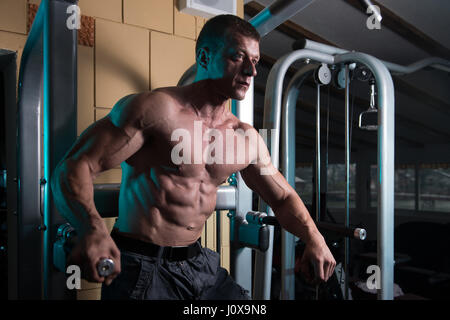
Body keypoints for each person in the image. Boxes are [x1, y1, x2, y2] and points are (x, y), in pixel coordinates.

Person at [51, 14, 336, 300]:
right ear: (204, 57)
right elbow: (75, 167)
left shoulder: (244, 137)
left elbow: (282, 197)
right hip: (143, 267)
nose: (251, 71)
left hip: (198, 265)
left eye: (255, 61)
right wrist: (93, 229)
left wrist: (314, 237)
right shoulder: (156, 111)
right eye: (238, 56)